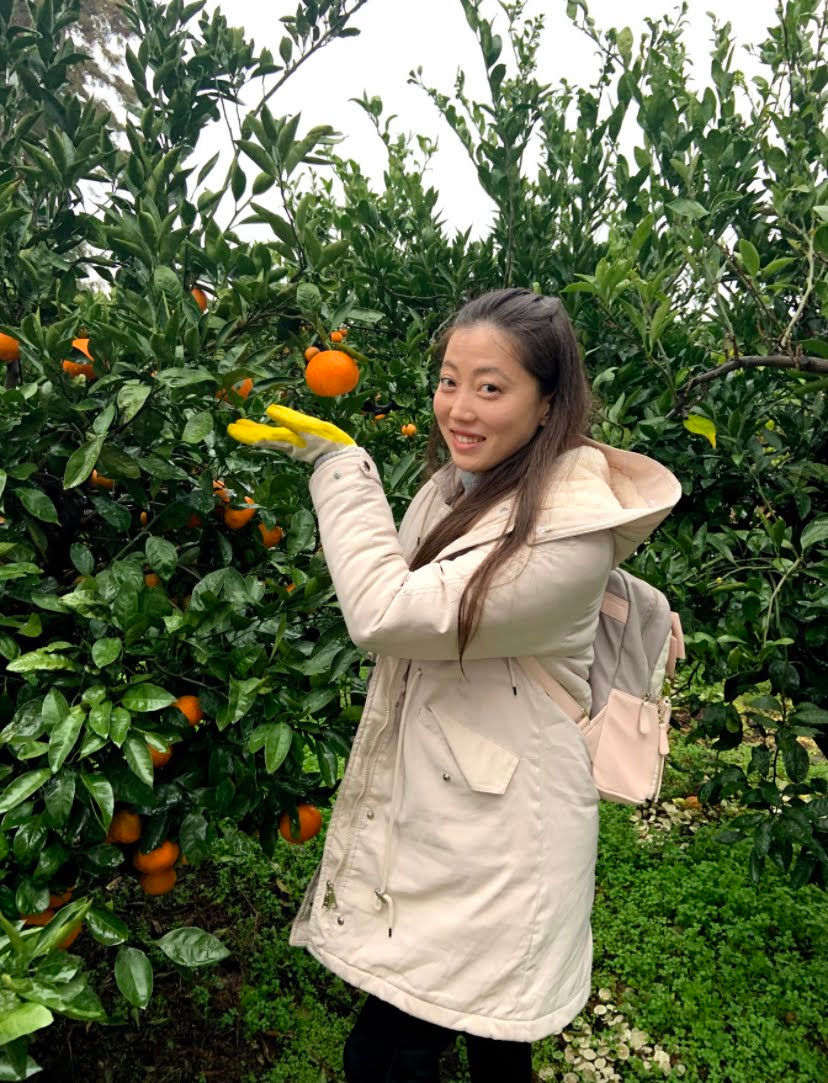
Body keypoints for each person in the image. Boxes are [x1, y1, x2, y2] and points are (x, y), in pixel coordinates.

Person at [228, 287, 682, 1082]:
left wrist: (340, 469)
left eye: (491, 386)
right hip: (457, 817)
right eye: (448, 379)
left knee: (399, 1050)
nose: (459, 408)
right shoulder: (455, 491)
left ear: (549, 405)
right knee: (488, 1038)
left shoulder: (566, 542)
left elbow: (387, 611)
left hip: (508, 844)